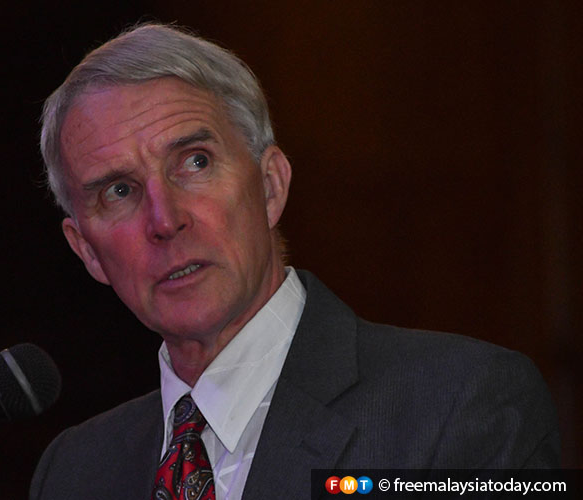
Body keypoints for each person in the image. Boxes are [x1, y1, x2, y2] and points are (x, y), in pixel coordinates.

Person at [29, 23, 559, 500]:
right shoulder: (74, 471)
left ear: (270, 186)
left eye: (195, 162)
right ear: (87, 251)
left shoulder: (461, 404)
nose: (164, 220)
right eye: (119, 191)